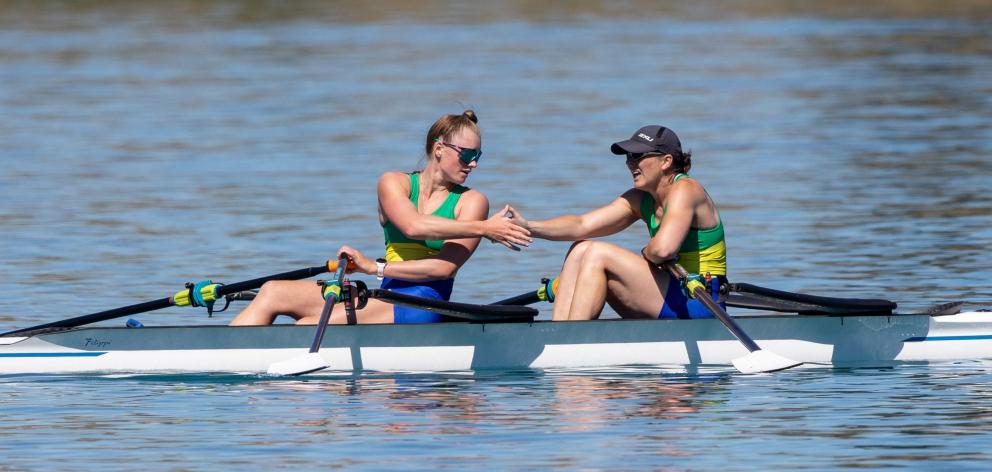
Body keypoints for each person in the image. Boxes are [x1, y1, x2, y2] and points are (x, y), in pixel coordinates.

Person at [230, 110, 531, 326]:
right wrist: (484, 228)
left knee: (310, 325)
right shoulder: (394, 183)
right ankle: (225, 367)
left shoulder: (472, 201)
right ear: (439, 149)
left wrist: (372, 267)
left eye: (479, 155)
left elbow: (443, 268)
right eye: (466, 155)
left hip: (420, 303)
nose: (474, 163)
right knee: (272, 292)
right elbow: (412, 226)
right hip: (384, 292)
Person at [507, 125, 726, 321]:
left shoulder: (686, 189)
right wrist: (528, 227)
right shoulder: (640, 199)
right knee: (580, 249)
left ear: (666, 162)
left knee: (597, 254)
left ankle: (570, 342)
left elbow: (662, 250)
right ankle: (561, 334)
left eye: (637, 155)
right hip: (669, 293)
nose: (629, 163)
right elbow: (582, 225)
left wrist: (646, 252)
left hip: (700, 301)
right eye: (628, 156)